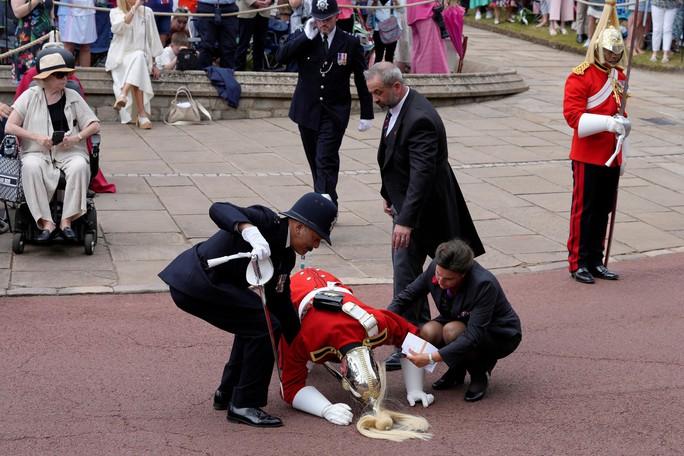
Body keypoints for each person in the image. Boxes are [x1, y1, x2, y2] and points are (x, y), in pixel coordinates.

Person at [158, 193, 338, 428]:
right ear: (299, 226)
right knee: (263, 325)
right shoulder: (265, 221)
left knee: (255, 321)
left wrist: (303, 345)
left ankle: (227, 392)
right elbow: (219, 208)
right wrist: (249, 232)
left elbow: (279, 302)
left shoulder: (285, 257)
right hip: (196, 280)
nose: (314, 246)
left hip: (212, 286)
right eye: (316, 237)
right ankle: (245, 403)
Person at [364, 62, 484, 370]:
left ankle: (470, 337)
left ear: (396, 87)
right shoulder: (397, 108)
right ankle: (411, 341)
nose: (375, 100)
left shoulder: (420, 119)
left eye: (378, 93)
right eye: (372, 94)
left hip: (427, 214)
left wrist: (405, 219)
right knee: (406, 275)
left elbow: (422, 174)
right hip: (408, 207)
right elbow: (391, 159)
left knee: (450, 272)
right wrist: (387, 195)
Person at [280, 267, 434, 426]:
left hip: (334, 288)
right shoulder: (304, 338)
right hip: (297, 289)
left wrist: (415, 388)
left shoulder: (376, 324)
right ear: (342, 370)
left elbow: (412, 337)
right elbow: (289, 388)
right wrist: (325, 409)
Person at [394, 239, 522, 402]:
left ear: (463, 274)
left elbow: (473, 335)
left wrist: (431, 358)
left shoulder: (483, 284)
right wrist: (384, 319)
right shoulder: (437, 266)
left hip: (498, 333)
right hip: (459, 318)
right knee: (429, 331)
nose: (440, 281)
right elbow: (407, 296)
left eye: (448, 279)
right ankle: (457, 369)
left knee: (452, 331)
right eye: (438, 275)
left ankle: (478, 375)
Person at [276, 0, 374, 205]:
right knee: (315, 160)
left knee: (325, 158)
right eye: (319, 20)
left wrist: (367, 112)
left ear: (337, 16)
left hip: (335, 111)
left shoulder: (349, 42)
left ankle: (322, 208)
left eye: (327, 19)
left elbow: (361, 78)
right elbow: (281, 57)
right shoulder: (305, 37)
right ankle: (330, 198)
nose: (323, 24)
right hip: (307, 110)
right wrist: (305, 36)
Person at [563, 0, 631, 284]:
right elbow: (573, 117)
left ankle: (596, 258)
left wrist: (624, 127)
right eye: (609, 52)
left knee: (604, 209)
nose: (613, 57)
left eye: (617, 53)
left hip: (611, 154)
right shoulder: (581, 76)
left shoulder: (619, 76)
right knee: (585, 210)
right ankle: (578, 261)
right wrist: (607, 123)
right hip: (588, 154)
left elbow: (620, 111)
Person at [5, 47, 101, 242]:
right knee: (31, 167)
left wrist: (77, 138)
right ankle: (46, 223)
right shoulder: (30, 96)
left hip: (70, 151)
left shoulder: (73, 97)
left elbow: (94, 124)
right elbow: (10, 126)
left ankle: (67, 221)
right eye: (59, 75)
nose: (65, 79)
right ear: (46, 78)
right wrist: (37, 138)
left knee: (80, 166)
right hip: (37, 151)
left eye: (66, 74)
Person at [106, 0, 163, 129]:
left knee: (139, 57)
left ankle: (123, 94)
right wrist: (135, 7)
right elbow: (119, 28)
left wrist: (154, 63)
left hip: (141, 58)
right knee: (139, 60)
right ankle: (142, 116)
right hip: (121, 60)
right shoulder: (115, 12)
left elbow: (152, 38)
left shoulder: (147, 13)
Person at [10, 0, 54, 83]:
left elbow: (51, 14)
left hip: (46, 37)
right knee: (28, 77)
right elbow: (17, 13)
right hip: (28, 37)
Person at [406, 0, 448, 74]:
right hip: (426, 10)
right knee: (429, 48)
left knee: (419, 48)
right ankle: (428, 77)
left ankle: (417, 75)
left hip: (416, 10)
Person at [195, 0, 239, 69]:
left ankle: (228, 77)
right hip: (206, 7)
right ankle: (203, 76)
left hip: (229, 8)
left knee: (229, 47)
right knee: (206, 46)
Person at [57, 0, 97, 67]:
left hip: (88, 10)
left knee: (85, 46)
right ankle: (64, 74)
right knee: (68, 46)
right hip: (68, 11)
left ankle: (85, 75)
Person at [235, 0, 272, 71]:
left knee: (261, 43)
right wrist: (253, 2)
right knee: (243, 43)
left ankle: (258, 68)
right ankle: (239, 69)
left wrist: (269, 1)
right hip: (246, 12)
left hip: (264, 12)